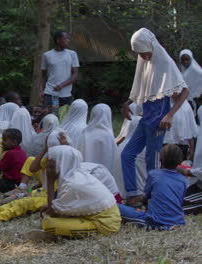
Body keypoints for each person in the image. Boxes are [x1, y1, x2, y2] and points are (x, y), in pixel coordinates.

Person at [121, 28, 189, 207]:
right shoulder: (145, 62)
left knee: (153, 163)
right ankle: (133, 195)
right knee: (126, 154)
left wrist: (169, 115)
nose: (141, 56)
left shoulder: (165, 61)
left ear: (150, 45)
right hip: (146, 119)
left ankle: (153, 199)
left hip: (159, 122)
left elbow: (184, 91)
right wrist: (128, 102)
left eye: (143, 52)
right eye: (139, 53)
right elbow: (144, 88)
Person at [26, 145, 120, 241]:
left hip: (104, 224)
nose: (47, 166)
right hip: (94, 216)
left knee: (48, 224)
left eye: (50, 163)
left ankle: (57, 234)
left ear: (60, 164)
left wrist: (50, 180)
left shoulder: (72, 184)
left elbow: (53, 212)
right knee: (58, 219)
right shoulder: (75, 175)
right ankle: (62, 233)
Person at [119, 144, 188, 230]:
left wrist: (142, 203)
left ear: (160, 159)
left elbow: (146, 196)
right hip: (178, 221)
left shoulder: (154, 174)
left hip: (154, 221)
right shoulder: (183, 180)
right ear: (180, 162)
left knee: (118, 207)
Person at [77, 104, 120, 177]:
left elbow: (80, 155)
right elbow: (114, 159)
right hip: (106, 177)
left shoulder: (85, 134)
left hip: (87, 175)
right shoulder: (108, 136)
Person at [39, 31, 79, 107]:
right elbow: (43, 75)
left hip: (66, 94)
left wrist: (62, 85)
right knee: (53, 116)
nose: (68, 40)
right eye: (66, 38)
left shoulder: (72, 54)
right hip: (52, 94)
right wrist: (41, 91)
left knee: (66, 118)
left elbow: (75, 74)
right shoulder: (47, 55)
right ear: (58, 40)